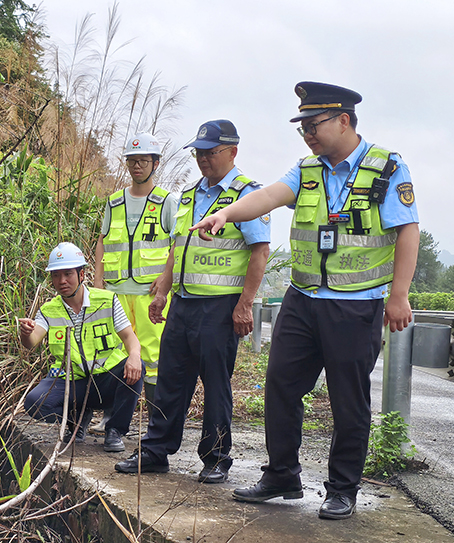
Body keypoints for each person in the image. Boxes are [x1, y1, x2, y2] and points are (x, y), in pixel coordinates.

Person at [190, 82, 419, 519]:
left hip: (355, 303)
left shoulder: (386, 168)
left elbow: (408, 229)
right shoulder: (308, 169)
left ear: (344, 121)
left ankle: (342, 489)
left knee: (347, 400)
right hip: (302, 297)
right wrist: (226, 212)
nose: (308, 134)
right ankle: (281, 475)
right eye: (303, 128)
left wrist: (399, 295)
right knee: (281, 385)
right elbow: (268, 196)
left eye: (313, 125)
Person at [114, 120, 271, 483]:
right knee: (171, 380)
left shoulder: (248, 195)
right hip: (183, 304)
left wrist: (245, 304)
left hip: (220, 306)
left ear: (232, 152)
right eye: (198, 152)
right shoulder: (189, 194)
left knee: (216, 384)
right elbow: (177, 248)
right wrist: (162, 291)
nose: (203, 159)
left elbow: (260, 251)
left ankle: (215, 458)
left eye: (210, 152)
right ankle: (155, 451)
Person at [20, 242, 144, 452]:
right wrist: (25, 333)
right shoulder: (49, 310)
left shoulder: (107, 300)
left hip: (106, 377)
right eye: (56, 275)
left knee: (136, 367)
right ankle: (77, 419)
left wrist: (134, 355)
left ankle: (114, 430)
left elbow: (130, 339)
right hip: (72, 380)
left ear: (82, 274)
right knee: (35, 402)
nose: (62, 281)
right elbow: (31, 343)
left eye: (68, 274)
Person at [94, 132, 178, 417]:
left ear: (155, 163)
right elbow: (102, 241)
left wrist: (165, 280)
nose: (136, 166)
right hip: (115, 294)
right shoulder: (114, 202)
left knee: (153, 358)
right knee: (114, 355)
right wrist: (97, 286)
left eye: (143, 160)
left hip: (149, 295)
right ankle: (111, 420)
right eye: (132, 161)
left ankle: (157, 422)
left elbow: (177, 244)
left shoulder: (167, 201)